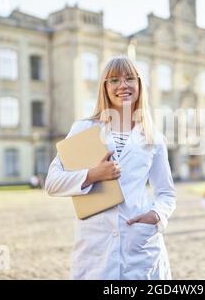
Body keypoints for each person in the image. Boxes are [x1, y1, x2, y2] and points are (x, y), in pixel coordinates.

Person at [44, 56, 176, 280]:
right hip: (96, 247)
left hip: (141, 248)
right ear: (104, 88)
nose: (122, 85)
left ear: (139, 84)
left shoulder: (154, 137)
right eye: (114, 80)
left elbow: (166, 193)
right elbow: (52, 182)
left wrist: (156, 215)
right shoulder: (85, 128)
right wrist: (93, 175)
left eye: (129, 79)